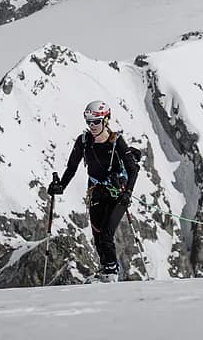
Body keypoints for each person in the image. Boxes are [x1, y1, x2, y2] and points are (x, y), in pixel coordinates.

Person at [48, 100, 141, 282]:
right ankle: (106, 271)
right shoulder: (83, 142)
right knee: (98, 236)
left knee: (106, 234)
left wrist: (128, 193)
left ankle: (111, 273)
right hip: (96, 193)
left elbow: (133, 169)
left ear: (106, 120)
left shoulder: (117, 142)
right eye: (88, 121)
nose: (92, 126)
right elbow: (72, 167)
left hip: (118, 194)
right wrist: (61, 186)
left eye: (96, 121)